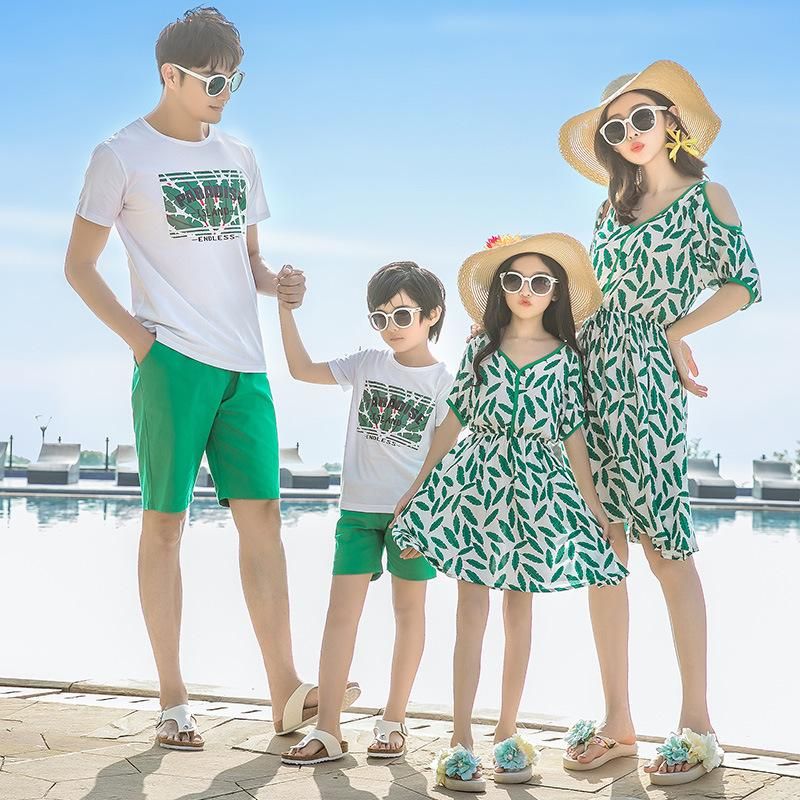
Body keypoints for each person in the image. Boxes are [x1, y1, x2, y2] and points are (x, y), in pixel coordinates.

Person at [63, 7, 347, 749]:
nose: (227, 91)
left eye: (235, 78)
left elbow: (245, 260)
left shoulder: (241, 155)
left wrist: (275, 282)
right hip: (172, 362)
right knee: (165, 526)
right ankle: (172, 700)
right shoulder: (119, 154)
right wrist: (141, 345)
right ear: (172, 76)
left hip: (245, 366)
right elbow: (78, 268)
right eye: (216, 79)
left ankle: (285, 691)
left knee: (264, 523)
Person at [557, 59, 762, 786]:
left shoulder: (709, 197)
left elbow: (744, 283)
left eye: (642, 117)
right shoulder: (610, 207)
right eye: (616, 127)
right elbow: (586, 296)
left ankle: (698, 722)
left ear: (672, 121)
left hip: (645, 377)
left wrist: (675, 330)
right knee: (601, 547)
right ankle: (618, 721)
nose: (630, 133)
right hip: (588, 374)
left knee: (665, 545)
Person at [392, 233, 629, 791]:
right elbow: (450, 423)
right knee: (469, 613)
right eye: (515, 280)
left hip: (536, 495)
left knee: (519, 614)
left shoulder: (568, 359)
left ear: (555, 293)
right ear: (500, 288)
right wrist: (418, 485)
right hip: (476, 486)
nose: (526, 291)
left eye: (540, 282)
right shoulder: (482, 349)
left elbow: (573, 435)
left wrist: (594, 508)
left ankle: (505, 733)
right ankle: (459, 738)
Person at [278, 262, 452, 765]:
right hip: (356, 512)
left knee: (409, 614)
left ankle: (394, 721)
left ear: (432, 315)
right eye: (380, 317)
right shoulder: (366, 363)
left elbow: (446, 453)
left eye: (402, 314)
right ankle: (328, 730)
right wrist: (286, 311)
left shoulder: (446, 382)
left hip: (414, 518)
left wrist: (419, 501)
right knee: (340, 618)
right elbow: (300, 369)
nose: (391, 326)